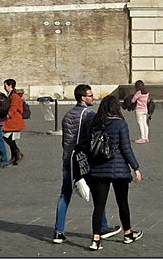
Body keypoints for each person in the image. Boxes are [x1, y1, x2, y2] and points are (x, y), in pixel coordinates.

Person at [85, 94, 143, 249]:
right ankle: (128, 234)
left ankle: (95, 240)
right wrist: (135, 167)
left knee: (99, 206)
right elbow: (126, 148)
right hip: (119, 170)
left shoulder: (95, 124)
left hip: (98, 168)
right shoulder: (120, 124)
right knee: (122, 202)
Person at [54, 85, 109, 245]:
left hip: (67, 159)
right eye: (90, 96)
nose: (94, 98)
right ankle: (103, 227)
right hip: (82, 160)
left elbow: (65, 141)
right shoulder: (89, 115)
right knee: (98, 193)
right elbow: (91, 139)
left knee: (65, 194)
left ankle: (58, 231)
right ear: (82, 98)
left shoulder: (68, 114)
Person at [2, 79, 26, 165]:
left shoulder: (14, 96)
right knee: (11, 138)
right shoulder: (11, 95)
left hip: (14, 121)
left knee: (6, 137)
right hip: (12, 120)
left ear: (10, 86)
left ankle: (17, 152)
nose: (4, 88)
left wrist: (6, 116)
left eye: (5, 86)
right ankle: (14, 156)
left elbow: (13, 108)